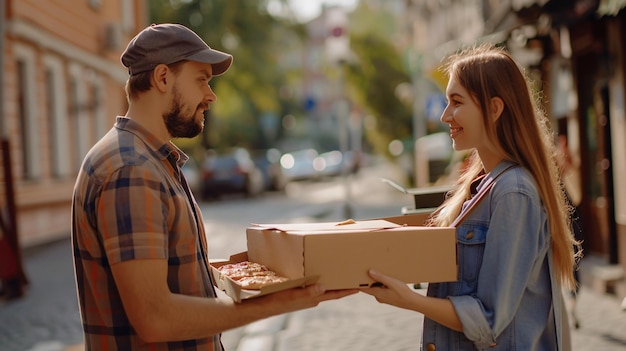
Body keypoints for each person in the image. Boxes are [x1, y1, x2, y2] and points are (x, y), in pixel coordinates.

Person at [71, 23, 356, 351]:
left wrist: (256, 273)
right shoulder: (132, 169)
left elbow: (169, 266)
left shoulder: (147, 159)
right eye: (201, 79)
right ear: (163, 78)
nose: (211, 96)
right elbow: (155, 317)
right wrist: (283, 302)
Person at [361, 44, 581, 350]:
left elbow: (488, 320)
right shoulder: (483, 185)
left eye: (456, 102)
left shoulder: (512, 192)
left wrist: (408, 300)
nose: (444, 115)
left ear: (494, 108)